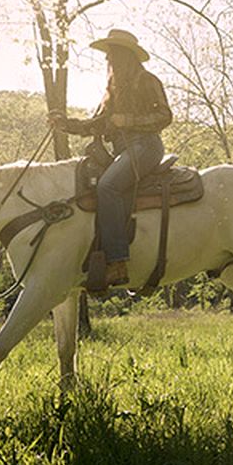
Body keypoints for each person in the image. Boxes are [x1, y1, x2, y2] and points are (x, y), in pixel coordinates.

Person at [49, 29, 173, 288]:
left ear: (126, 56)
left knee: (108, 186)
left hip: (147, 147)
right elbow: (97, 124)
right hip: (125, 151)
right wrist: (66, 124)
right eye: (108, 56)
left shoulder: (147, 80)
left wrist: (126, 121)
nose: (109, 61)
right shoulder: (113, 90)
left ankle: (117, 262)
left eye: (113, 55)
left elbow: (165, 116)